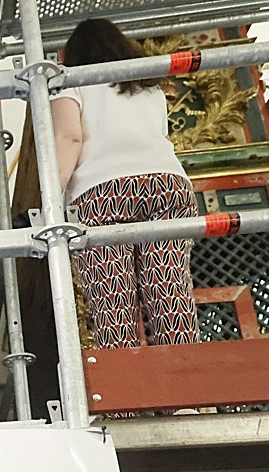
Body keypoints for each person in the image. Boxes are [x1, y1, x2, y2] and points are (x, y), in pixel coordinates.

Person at [51, 18, 200, 351]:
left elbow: (69, 137)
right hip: (167, 184)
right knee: (169, 291)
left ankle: (128, 399)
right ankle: (189, 397)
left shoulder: (71, 81)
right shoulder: (148, 86)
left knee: (113, 303)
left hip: (104, 191)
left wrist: (51, 203)